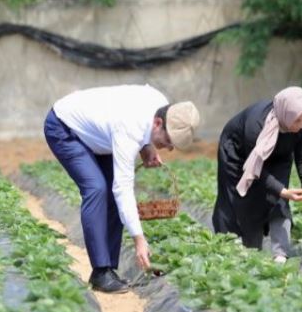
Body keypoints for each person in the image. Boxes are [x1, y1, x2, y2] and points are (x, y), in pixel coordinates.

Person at [44, 84, 201, 293]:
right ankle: (100, 272)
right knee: (97, 188)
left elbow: (144, 132)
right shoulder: (130, 127)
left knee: (109, 192)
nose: (170, 148)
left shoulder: (161, 106)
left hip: (101, 134)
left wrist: (147, 146)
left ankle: (108, 270)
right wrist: (139, 239)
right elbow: (123, 188)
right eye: (169, 140)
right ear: (158, 123)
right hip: (65, 127)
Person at [211, 86, 302, 263]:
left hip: (279, 154)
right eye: (298, 121)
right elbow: (255, 170)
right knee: (243, 199)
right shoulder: (255, 126)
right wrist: (281, 190)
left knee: (279, 200)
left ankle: (280, 256)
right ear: (286, 113)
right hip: (239, 152)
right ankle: (238, 252)